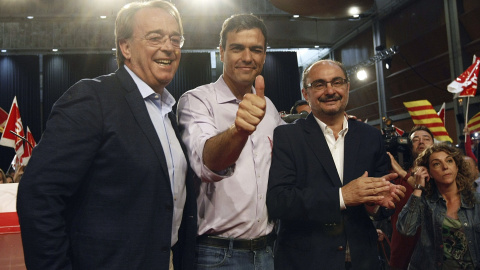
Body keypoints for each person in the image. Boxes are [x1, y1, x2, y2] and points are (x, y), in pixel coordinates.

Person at [16, 1, 196, 269]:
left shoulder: (169, 113)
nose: (168, 47)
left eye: (175, 38)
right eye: (155, 37)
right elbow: (38, 197)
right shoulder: (93, 98)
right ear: (125, 47)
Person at [266, 59, 406, 269]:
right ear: (306, 93)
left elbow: (380, 208)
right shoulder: (287, 136)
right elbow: (279, 201)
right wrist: (342, 197)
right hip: (306, 261)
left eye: (337, 82)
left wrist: (374, 204)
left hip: (362, 261)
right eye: (320, 84)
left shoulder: (371, 137)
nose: (330, 90)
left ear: (347, 87)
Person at [177, 14, 282, 270]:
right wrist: (239, 129)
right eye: (237, 48)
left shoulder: (269, 108)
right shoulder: (197, 101)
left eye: (256, 49)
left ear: (265, 55)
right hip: (217, 254)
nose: (247, 57)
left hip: (268, 250)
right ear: (221, 52)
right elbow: (208, 164)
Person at [397, 143, 480, 269]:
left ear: (457, 167)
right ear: (428, 172)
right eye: (437, 163)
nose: (445, 167)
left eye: (449, 161)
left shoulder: (476, 201)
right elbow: (405, 229)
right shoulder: (425, 201)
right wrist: (419, 187)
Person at [386, 125, 434, 270]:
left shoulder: (442, 175)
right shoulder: (394, 174)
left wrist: (403, 173)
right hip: (402, 250)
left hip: (433, 254)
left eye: (426, 139)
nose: (421, 142)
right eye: (415, 140)